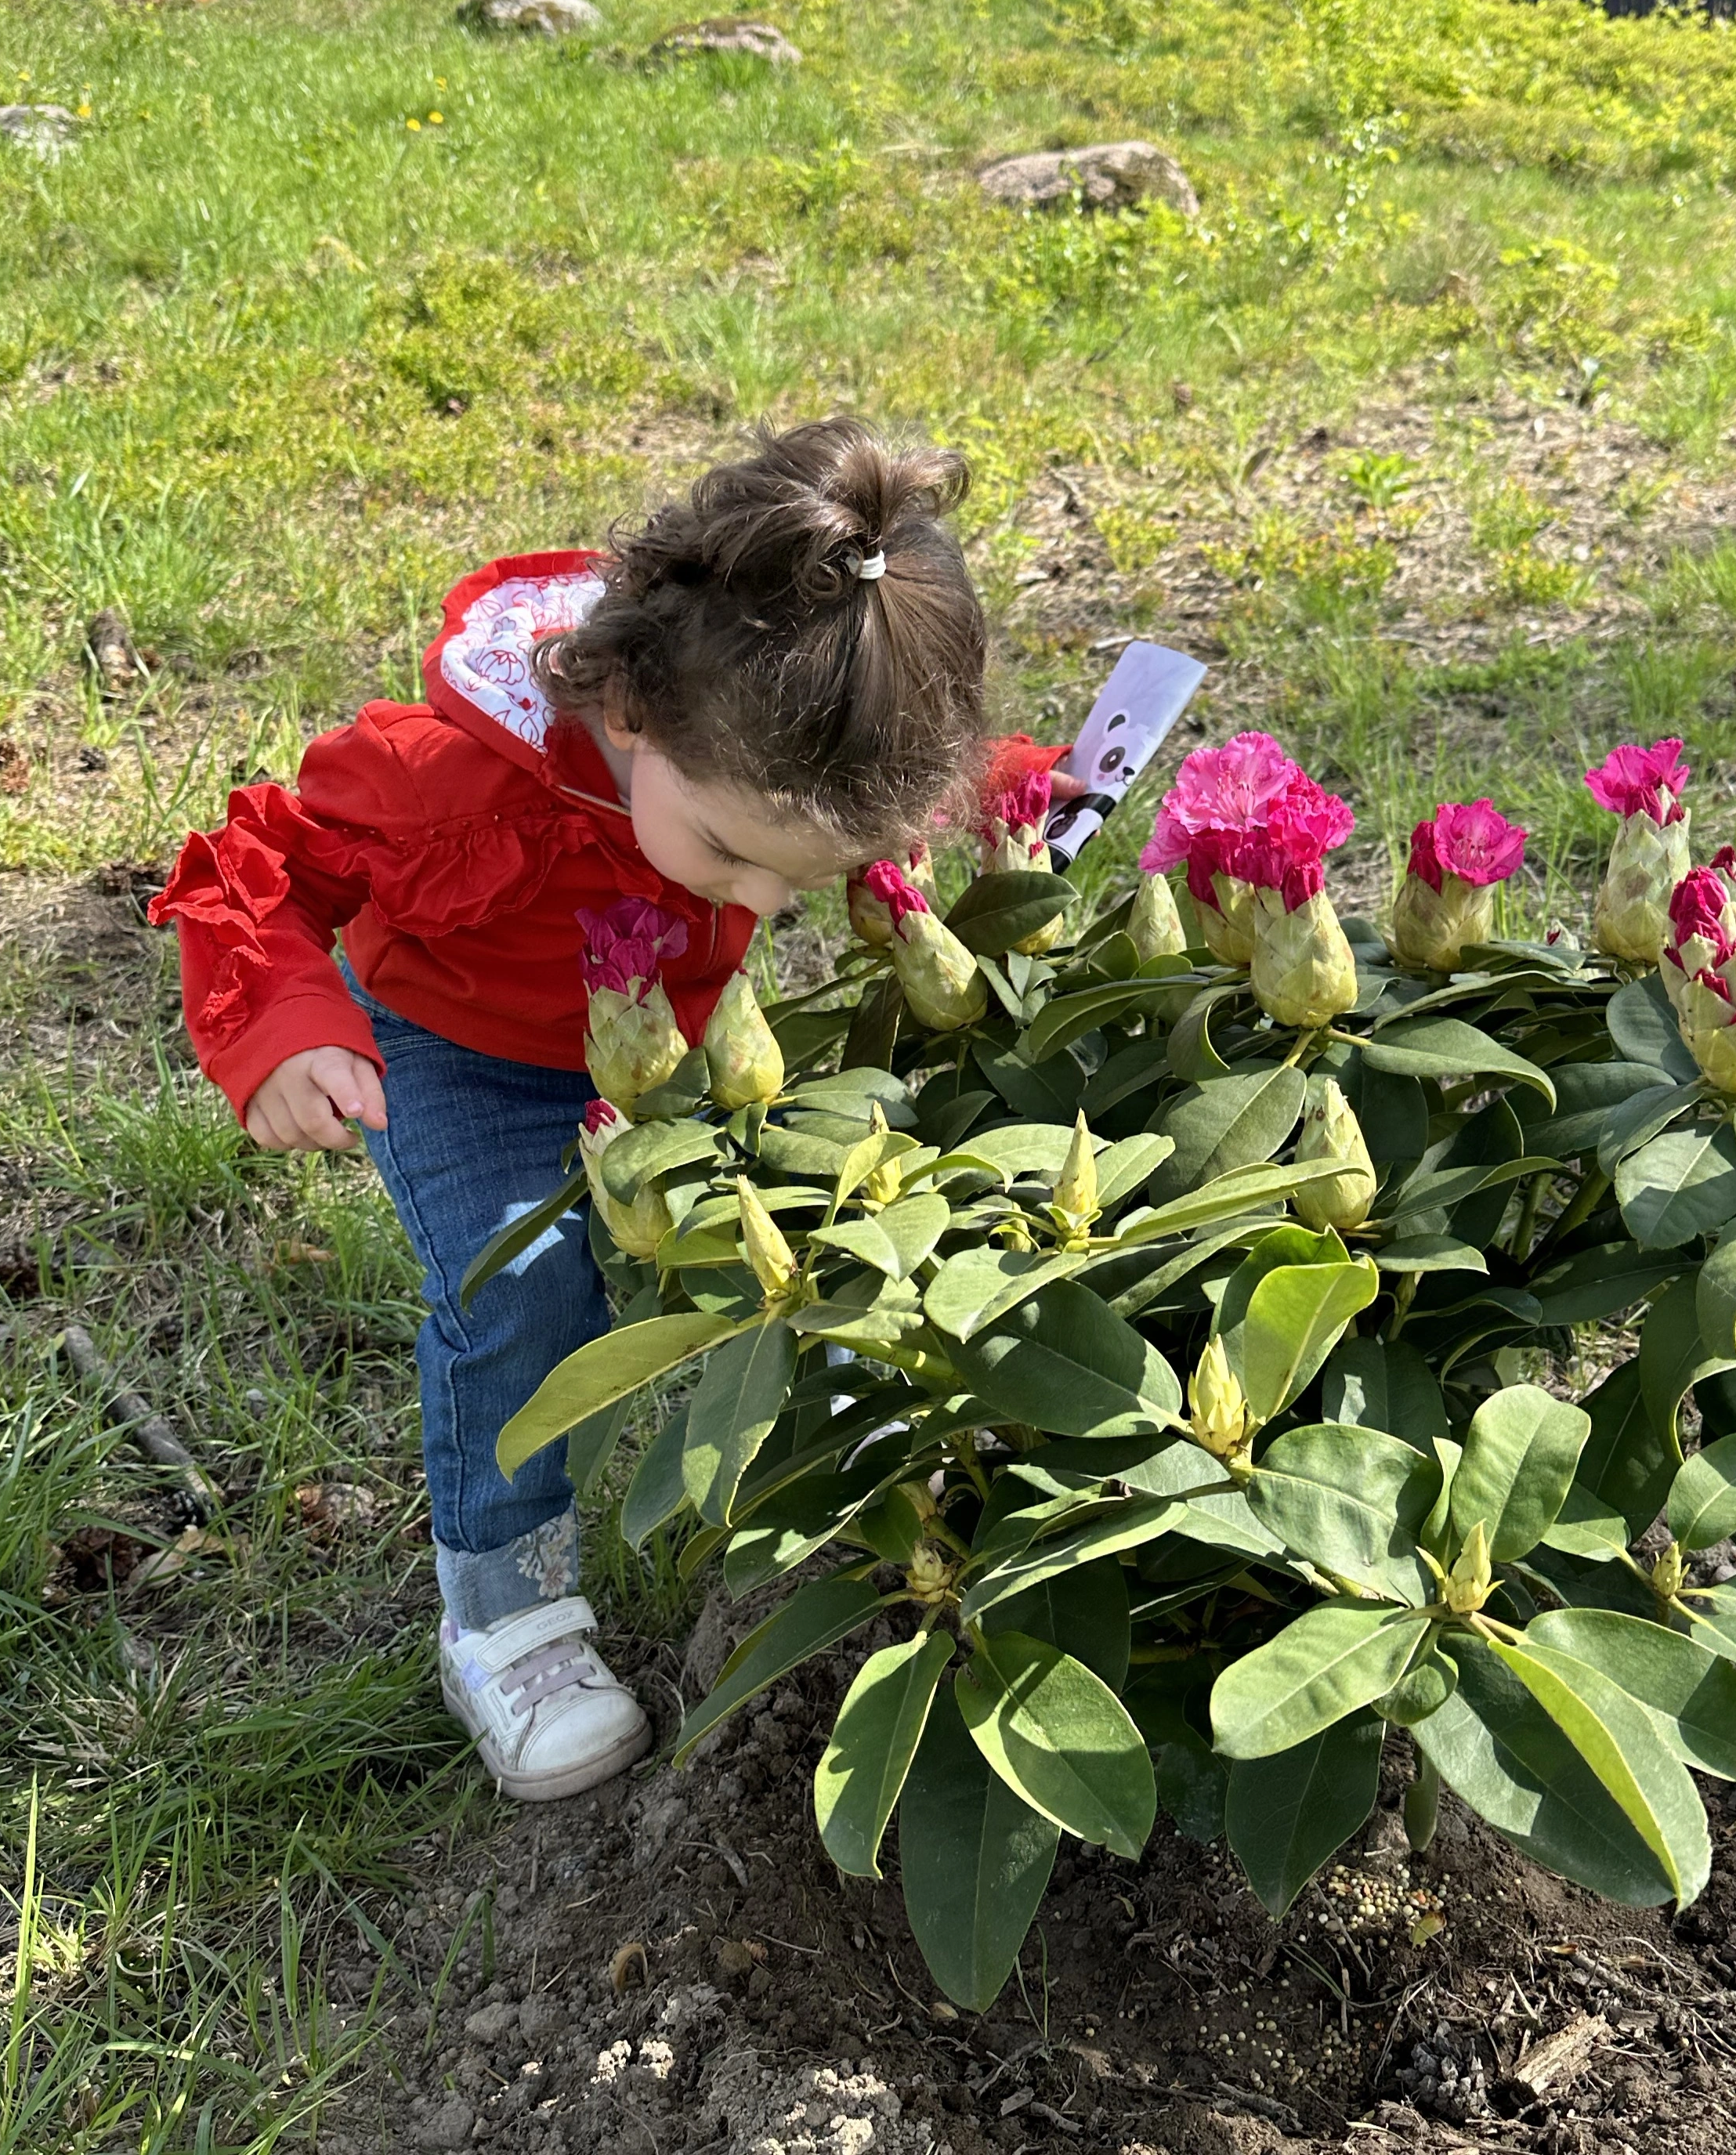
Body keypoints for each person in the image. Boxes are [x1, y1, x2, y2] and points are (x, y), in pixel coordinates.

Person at [151, 418, 1065, 1802]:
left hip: (669, 1041)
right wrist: (280, 1027)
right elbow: (261, 863)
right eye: (729, 856)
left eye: (797, 882)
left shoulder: (784, 731)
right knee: (524, 1277)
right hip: (467, 1048)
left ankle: (849, 1449)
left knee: (806, 1220)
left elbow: (870, 798)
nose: (748, 907)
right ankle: (505, 1620)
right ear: (630, 715)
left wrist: (1016, 810)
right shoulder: (454, 771)